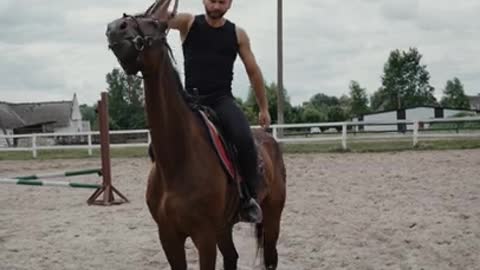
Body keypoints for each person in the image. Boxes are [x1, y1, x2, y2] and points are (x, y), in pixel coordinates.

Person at [166, 0, 271, 223]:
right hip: (190, 101)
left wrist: (263, 107)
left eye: (221, 2)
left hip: (221, 100)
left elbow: (253, 71)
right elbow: (160, 19)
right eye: (212, 1)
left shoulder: (237, 34)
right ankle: (164, 190)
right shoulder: (188, 22)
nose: (216, 6)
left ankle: (249, 197)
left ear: (230, 4)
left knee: (243, 138)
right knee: (159, 141)